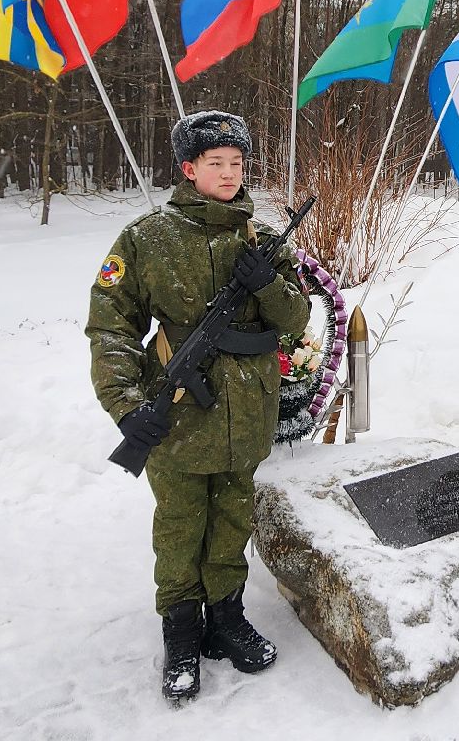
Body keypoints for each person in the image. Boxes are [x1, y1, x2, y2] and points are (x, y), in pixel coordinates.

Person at [86, 110, 312, 704]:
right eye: (217, 163)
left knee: (233, 518)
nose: (230, 174)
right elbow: (111, 325)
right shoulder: (146, 237)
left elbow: (295, 320)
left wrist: (268, 284)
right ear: (189, 169)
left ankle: (228, 620)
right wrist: (126, 403)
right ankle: (182, 633)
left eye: (238, 163)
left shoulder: (259, 238)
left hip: (248, 414)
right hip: (180, 415)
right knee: (181, 525)